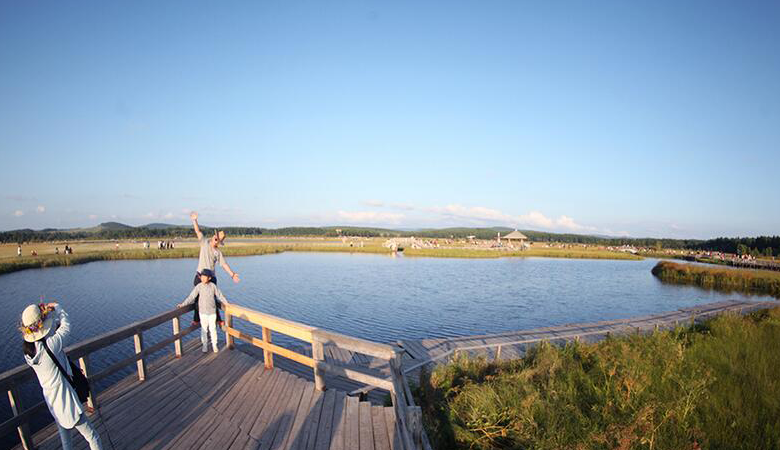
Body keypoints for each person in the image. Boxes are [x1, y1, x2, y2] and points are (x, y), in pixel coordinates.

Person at [21, 303, 104, 450]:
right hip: (67, 402)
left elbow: (47, 339)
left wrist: (48, 322)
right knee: (93, 437)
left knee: (67, 443)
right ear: (41, 324)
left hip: (54, 403)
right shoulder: (51, 346)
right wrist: (58, 308)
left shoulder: (29, 353)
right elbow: (66, 326)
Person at [189, 211, 240, 325]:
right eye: (215, 238)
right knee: (197, 298)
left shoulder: (218, 252)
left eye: (218, 240)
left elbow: (224, 264)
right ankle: (196, 319)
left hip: (211, 278)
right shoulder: (204, 243)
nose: (215, 240)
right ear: (212, 238)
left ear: (219, 242)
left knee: (213, 298)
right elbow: (198, 231)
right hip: (199, 276)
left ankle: (218, 319)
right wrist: (194, 220)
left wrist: (232, 275)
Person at [177, 269, 229, 353]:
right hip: (202, 312)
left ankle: (214, 345)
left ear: (209, 278)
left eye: (205, 277)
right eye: (202, 276)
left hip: (212, 312)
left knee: (213, 329)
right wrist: (183, 304)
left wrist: (227, 303)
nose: (203, 278)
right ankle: (204, 346)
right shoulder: (199, 286)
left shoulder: (213, 286)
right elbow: (191, 297)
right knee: (204, 329)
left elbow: (220, 295)